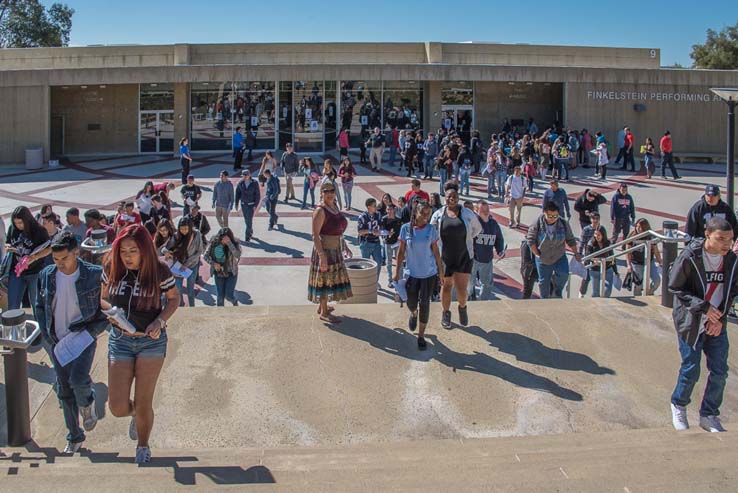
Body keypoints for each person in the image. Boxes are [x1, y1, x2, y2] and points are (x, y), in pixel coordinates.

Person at [102, 224, 178, 464]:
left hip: (150, 342)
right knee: (117, 406)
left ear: (144, 250)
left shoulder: (160, 271)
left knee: (145, 400)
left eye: (133, 251)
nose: (127, 256)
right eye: (123, 251)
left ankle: (143, 445)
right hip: (121, 340)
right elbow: (102, 297)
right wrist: (111, 311)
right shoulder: (111, 267)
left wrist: (160, 320)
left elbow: (174, 299)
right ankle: (135, 414)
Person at [36, 232, 108, 454]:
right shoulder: (47, 275)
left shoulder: (94, 275)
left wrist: (92, 331)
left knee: (78, 379)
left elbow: (105, 311)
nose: (59, 264)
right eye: (56, 260)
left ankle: (87, 403)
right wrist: (47, 337)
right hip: (57, 340)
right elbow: (39, 305)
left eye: (64, 259)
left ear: (76, 253)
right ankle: (74, 436)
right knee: (64, 390)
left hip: (83, 337)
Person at [668, 217, 738, 433]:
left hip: (716, 322)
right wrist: (704, 308)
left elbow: (732, 291)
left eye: (730, 239)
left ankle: (709, 414)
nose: (726, 244)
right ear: (708, 235)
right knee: (691, 368)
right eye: (720, 239)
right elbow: (675, 287)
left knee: (719, 371)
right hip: (692, 321)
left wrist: (721, 319)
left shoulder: (732, 261)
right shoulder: (690, 257)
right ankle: (679, 404)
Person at [430, 182, 482, 328]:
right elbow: (432, 231)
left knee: (461, 287)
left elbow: (477, 229)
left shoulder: (467, 213)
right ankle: (446, 313)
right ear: (444, 198)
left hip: (463, 255)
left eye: (453, 197)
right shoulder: (439, 214)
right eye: (448, 197)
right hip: (445, 256)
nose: (450, 199)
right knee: (446, 286)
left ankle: (462, 307)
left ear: (458, 198)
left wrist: (468, 239)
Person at [394, 201, 444, 350]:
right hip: (411, 274)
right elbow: (401, 252)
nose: (426, 217)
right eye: (423, 213)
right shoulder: (405, 229)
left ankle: (421, 335)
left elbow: (436, 252)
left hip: (429, 274)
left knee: (425, 303)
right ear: (415, 212)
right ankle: (413, 314)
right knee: (411, 302)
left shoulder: (431, 230)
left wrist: (441, 272)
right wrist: (396, 272)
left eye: (428, 214)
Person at [308, 181, 353, 322]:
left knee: (331, 280)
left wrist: (344, 245)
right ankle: (324, 313)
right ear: (321, 193)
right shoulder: (320, 211)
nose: (329, 194)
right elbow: (315, 235)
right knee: (324, 280)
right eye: (326, 191)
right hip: (325, 250)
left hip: (336, 249)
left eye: (332, 191)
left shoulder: (335, 206)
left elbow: (338, 230)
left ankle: (323, 307)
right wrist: (322, 256)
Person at [526, 202, 581, 298]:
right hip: (543, 257)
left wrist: (576, 253)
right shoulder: (537, 223)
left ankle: (557, 291)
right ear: (544, 213)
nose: (553, 219)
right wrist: (536, 253)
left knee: (564, 274)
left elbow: (570, 239)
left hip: (559, 255)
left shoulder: (563, 223)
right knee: (543, 282)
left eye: (555, 216)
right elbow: (530, 240)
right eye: (550, 216)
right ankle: (545, 300)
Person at [5, 206, 51, 318]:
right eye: (16, 223)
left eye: (20, 222)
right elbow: (7, 242)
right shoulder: (12, 229)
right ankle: (13, 329)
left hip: (35, 272)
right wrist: (10, 248)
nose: (18, 225)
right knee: (13, 304)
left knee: (37, 305)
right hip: (17, 271)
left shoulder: (39, 231)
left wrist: (34, 257)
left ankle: (40, 331)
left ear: (27, 220)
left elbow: (49, 248)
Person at [469, 200, 505, 301]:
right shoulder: (473, 223)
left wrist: (500, 250)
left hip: (487, 259)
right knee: (469, 283)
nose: (486, 212)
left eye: (487, 209)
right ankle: (467, 301)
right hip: (473, 259)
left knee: (487, 283)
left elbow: (499, 238)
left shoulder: (493, 224)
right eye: (483, 210)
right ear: (476, 210)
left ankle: (483, 302)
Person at [163, 217, 203, 307]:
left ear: (190, 227)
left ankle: (192, 308)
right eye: (181, 229)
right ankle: (181, 307)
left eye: (186, 229)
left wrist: (186, 264)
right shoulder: (176, 236)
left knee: (190, 290)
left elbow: (199, 251)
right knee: (178, 290)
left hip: (192, 266)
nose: (184, 231)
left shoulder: (197, 235)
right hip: (178, 267)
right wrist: (166, 252)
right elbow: (165, 248)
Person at [204, 227, 241, 306]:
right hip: (219, 272)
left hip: (231, 272)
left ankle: (234, 301)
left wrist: (229, 243)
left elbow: (237, 255)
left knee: (229, 296)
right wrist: (213, 263)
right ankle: (220, 317)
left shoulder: (235, 243)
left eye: (226, 239)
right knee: (220, 298)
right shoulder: (214, 242)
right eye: (222, 238)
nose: (223, 241)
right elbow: (205, 256)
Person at [625, 218, 663, 296]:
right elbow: (628, 252)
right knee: (638, 285)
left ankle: (649, 292)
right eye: (637, 226)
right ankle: (638, 298)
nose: (638, 229)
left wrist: (660, 261)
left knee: (657, 280)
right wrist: (629, 265)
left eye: (641, 227)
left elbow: (656, 251)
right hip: (636, 263)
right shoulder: (632, 236)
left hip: (649, 261)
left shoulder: (650, 236)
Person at [578, 212, 606, 298]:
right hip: (589, 255)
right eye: (593, 219)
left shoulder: (601, 229)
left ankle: (597, 294)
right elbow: (582, 242)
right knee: (587, 277)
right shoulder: (586, 229)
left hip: (600, 255)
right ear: (590, 219)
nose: (595, 220)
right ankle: (581, 293)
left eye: (597, 219)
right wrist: (580, 253)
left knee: (599, 276)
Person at [586, 228, 617, 298]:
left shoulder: (607, 243)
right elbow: (587, 255)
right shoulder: (591, 243)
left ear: (603, 235)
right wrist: (593, 261)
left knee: (607, 291)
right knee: (595, 293)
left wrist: (615, 271)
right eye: (595, 234)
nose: (597, 236)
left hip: (607, 268)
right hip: (595, 269)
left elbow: (613, 257)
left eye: (599, 235)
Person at [357, 198, 382, 280]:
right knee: (366, 265)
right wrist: (371, 231)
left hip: (376, 242)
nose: (376, 207)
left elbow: (381, 226)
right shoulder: (363, 216)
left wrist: (382, 232)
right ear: (368, 207)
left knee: (378, 263)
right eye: (374, 206)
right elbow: (360, 231)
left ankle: (375, 281)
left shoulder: (378, 215)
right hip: (366, 243)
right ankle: (366, 282)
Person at [234, 169, 260, 242]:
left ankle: (247, 235)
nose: (244, 177)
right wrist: (236, 203)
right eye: (243, 176)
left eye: (245, 175)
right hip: (243, 205)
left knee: (249, 220)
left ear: (249, 175)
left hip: (251, 205)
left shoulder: (254, 183)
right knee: (246, 220)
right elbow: (237, 193)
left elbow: (257, 195)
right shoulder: (240, 183)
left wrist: (256, 205)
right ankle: (250, 230)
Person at [380, 202, 402, 287]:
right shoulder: (384, 219)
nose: (389, 211)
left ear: (394, 210)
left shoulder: (398, 220)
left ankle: (399, 279)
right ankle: (390, 280)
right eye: (388, 209)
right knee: (388, 262)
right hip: (387, 243)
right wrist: (386, 233)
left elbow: (401, 232)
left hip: (397, 243)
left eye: (391, 209)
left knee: (398, 261)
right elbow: (381, 231)